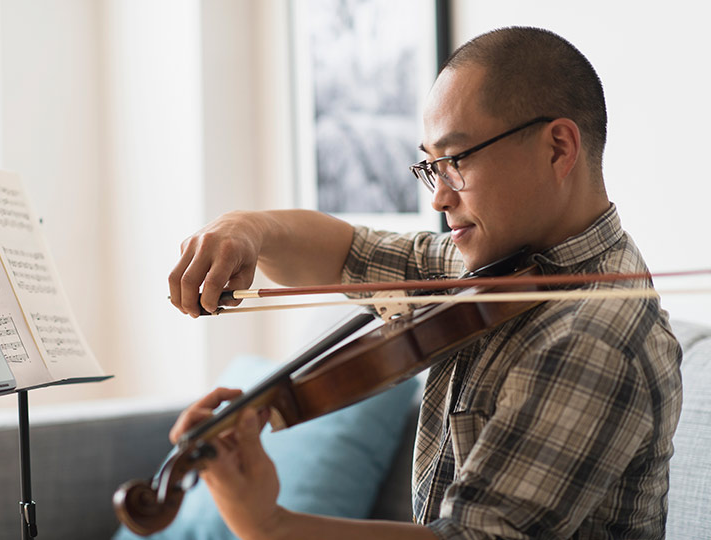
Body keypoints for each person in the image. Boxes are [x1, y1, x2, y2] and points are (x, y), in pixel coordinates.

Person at [167, 26, 682, 539]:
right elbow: (348, 253)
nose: (438, 198)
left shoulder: (594, 335)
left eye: (455, 161)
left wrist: (268, 525)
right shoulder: (500, 268)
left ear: (557, 148)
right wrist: (247, 228)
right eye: (431, 166)